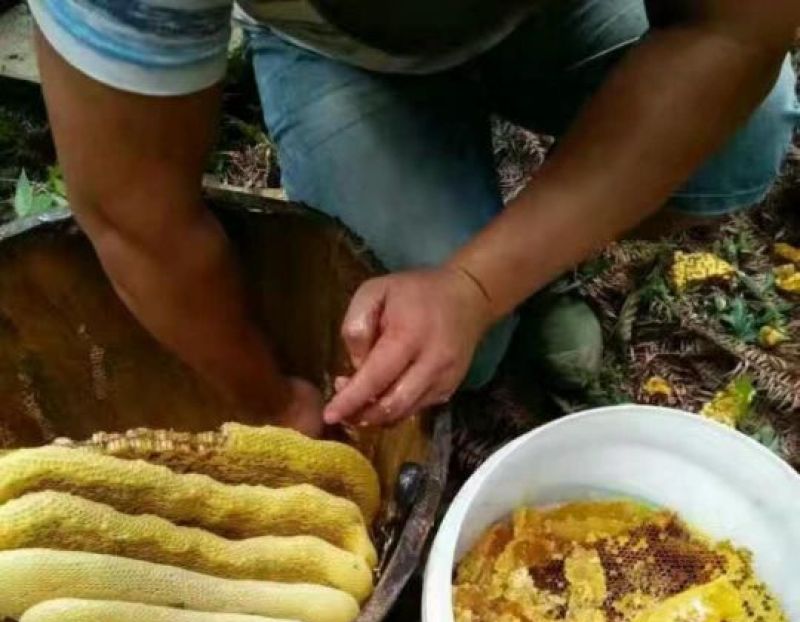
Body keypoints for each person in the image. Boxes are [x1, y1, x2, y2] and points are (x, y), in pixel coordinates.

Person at [30, 1, 799, 434]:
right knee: (449, 356)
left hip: (553, 12)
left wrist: (476, 281)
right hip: (329, 48)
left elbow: (732, 31)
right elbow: (136, 215)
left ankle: (531, 262)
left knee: (740, 134)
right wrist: (270, 400)